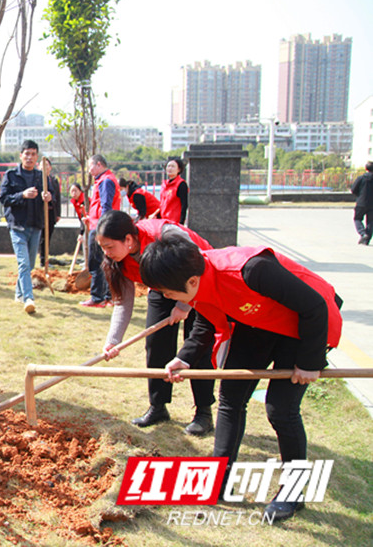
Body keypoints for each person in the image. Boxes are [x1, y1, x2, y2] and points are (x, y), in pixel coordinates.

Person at [139, 235, 342, 522]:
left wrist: (309, 362)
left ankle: (293, 493)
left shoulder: (251, 270)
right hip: (260, 321)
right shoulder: (199, 280)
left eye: (167, 292)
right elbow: (206, 318)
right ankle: (219, 478)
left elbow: (314, 306)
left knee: (281, 409)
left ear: (192, 281)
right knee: (231, 396)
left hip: (304, 325)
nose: (166, 297)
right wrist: (184, 357)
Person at [97, 211, 215, 435]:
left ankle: (204, 412)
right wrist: (113, 341)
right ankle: (158, 406)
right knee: (155, 343)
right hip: (161, 285)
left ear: (129, 240)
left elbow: (198, 265)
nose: (106, 252)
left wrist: (184, 306)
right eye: (102, 246)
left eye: (110, 246)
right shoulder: (117, 262)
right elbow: (123, 302)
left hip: (199, 281)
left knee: (198, 346)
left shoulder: (166, 234)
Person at [0, 140, 53, 314]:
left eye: (33, 154)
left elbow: (51, 201)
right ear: (21, 155)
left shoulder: (41, 177)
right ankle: (29, 298)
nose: (29, 157)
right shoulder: (11, 175)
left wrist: (47, 198)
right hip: (17, 225)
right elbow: (4, 199)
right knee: (23, 263)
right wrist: (22, 195)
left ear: (37, 157)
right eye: (26, 153)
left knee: (29, 265)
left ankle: (19, 293)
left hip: (36, 225)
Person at [80, 154, 120, 308]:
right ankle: (109, 297)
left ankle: (98, 297)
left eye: (90, 166)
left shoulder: (106, 181)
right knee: (107, 263)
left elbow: (106, 206)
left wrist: (101, 229)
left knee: (96, 263)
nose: (88, 170)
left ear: (98, 164)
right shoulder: (103, 180)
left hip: (101, 228)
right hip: (98, 224)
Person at [38, 158, 62, 268]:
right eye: (42, 165)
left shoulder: (53, 180)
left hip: (51, 212)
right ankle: (43, 260)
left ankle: (46, 258)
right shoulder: (37, 180)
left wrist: (58, 214)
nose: (45, 167)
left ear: (50, 167)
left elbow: (58, 198)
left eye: (47, 165)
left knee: (48, 236)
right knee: (42, 237)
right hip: (40, 213)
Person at [153, 156, 189, 224]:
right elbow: (162, 204)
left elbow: (184, 205)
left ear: (179, 170)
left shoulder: (181, 184)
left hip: (174, 222)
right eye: (168, 166)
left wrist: (181, 223)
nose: (170, 168)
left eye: (173, 166)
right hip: (163, 221)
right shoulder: (164, 184)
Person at [351, 161, 373, 245]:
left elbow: (353, 189)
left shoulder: (361, 178)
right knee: (371, 222)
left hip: (361, 202)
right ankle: (366, 240)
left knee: (357, 218)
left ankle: (363, 233)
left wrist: (359, 196)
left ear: (366, 168)